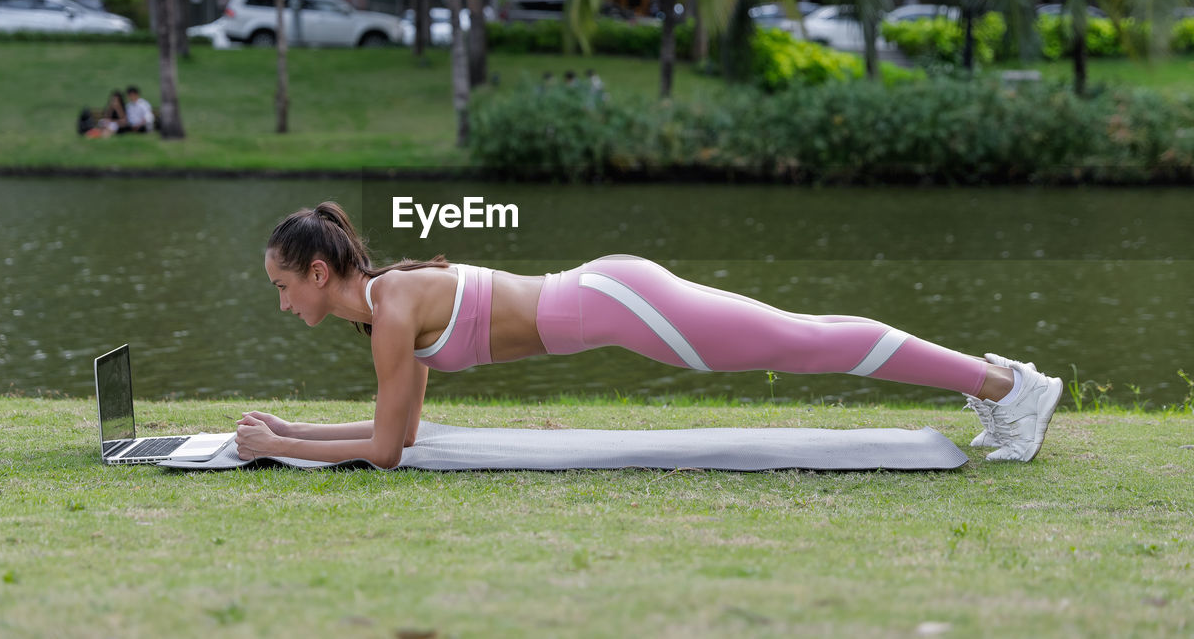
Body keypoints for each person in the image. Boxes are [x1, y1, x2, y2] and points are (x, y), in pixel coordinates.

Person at [236, 202, 1063, 468]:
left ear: (316, 272)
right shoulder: (391, 309)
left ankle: (1009, 388)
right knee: (803, 335)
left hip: (619, 303)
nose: (282, 305)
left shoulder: (392, 309)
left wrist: (279, 445)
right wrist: (287, 430)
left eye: (281, 287)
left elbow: (382, 451)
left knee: (803, 341)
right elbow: (404, 433)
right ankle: (997, 381)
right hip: (613, 295)